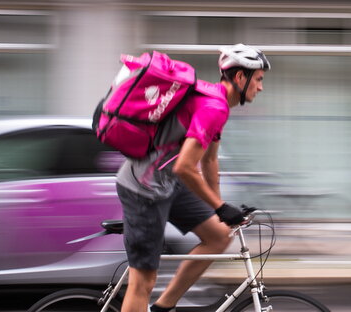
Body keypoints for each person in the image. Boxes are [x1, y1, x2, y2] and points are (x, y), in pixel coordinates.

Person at [115, 43, 271, 312]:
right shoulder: (214, 107)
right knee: (143, 282)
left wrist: (220, 210)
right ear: (240, 77)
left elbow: (209, 161)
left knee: (219, 236)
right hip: (144, 188)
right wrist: (221, 207)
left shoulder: (216, 102)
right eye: (258, 79)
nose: (261, 87)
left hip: (167, 183)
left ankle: (164, 308)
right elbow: (186, 167)